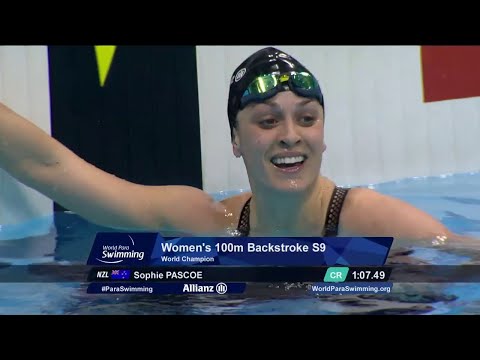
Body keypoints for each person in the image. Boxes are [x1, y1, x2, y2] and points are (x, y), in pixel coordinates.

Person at [0, 46, 473, 246]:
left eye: (307, 118)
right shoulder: (208, 222)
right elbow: (50, 166)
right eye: (268, 120)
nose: (291, 134)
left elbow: (464, 257)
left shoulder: (370, 221)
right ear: (235, 139)